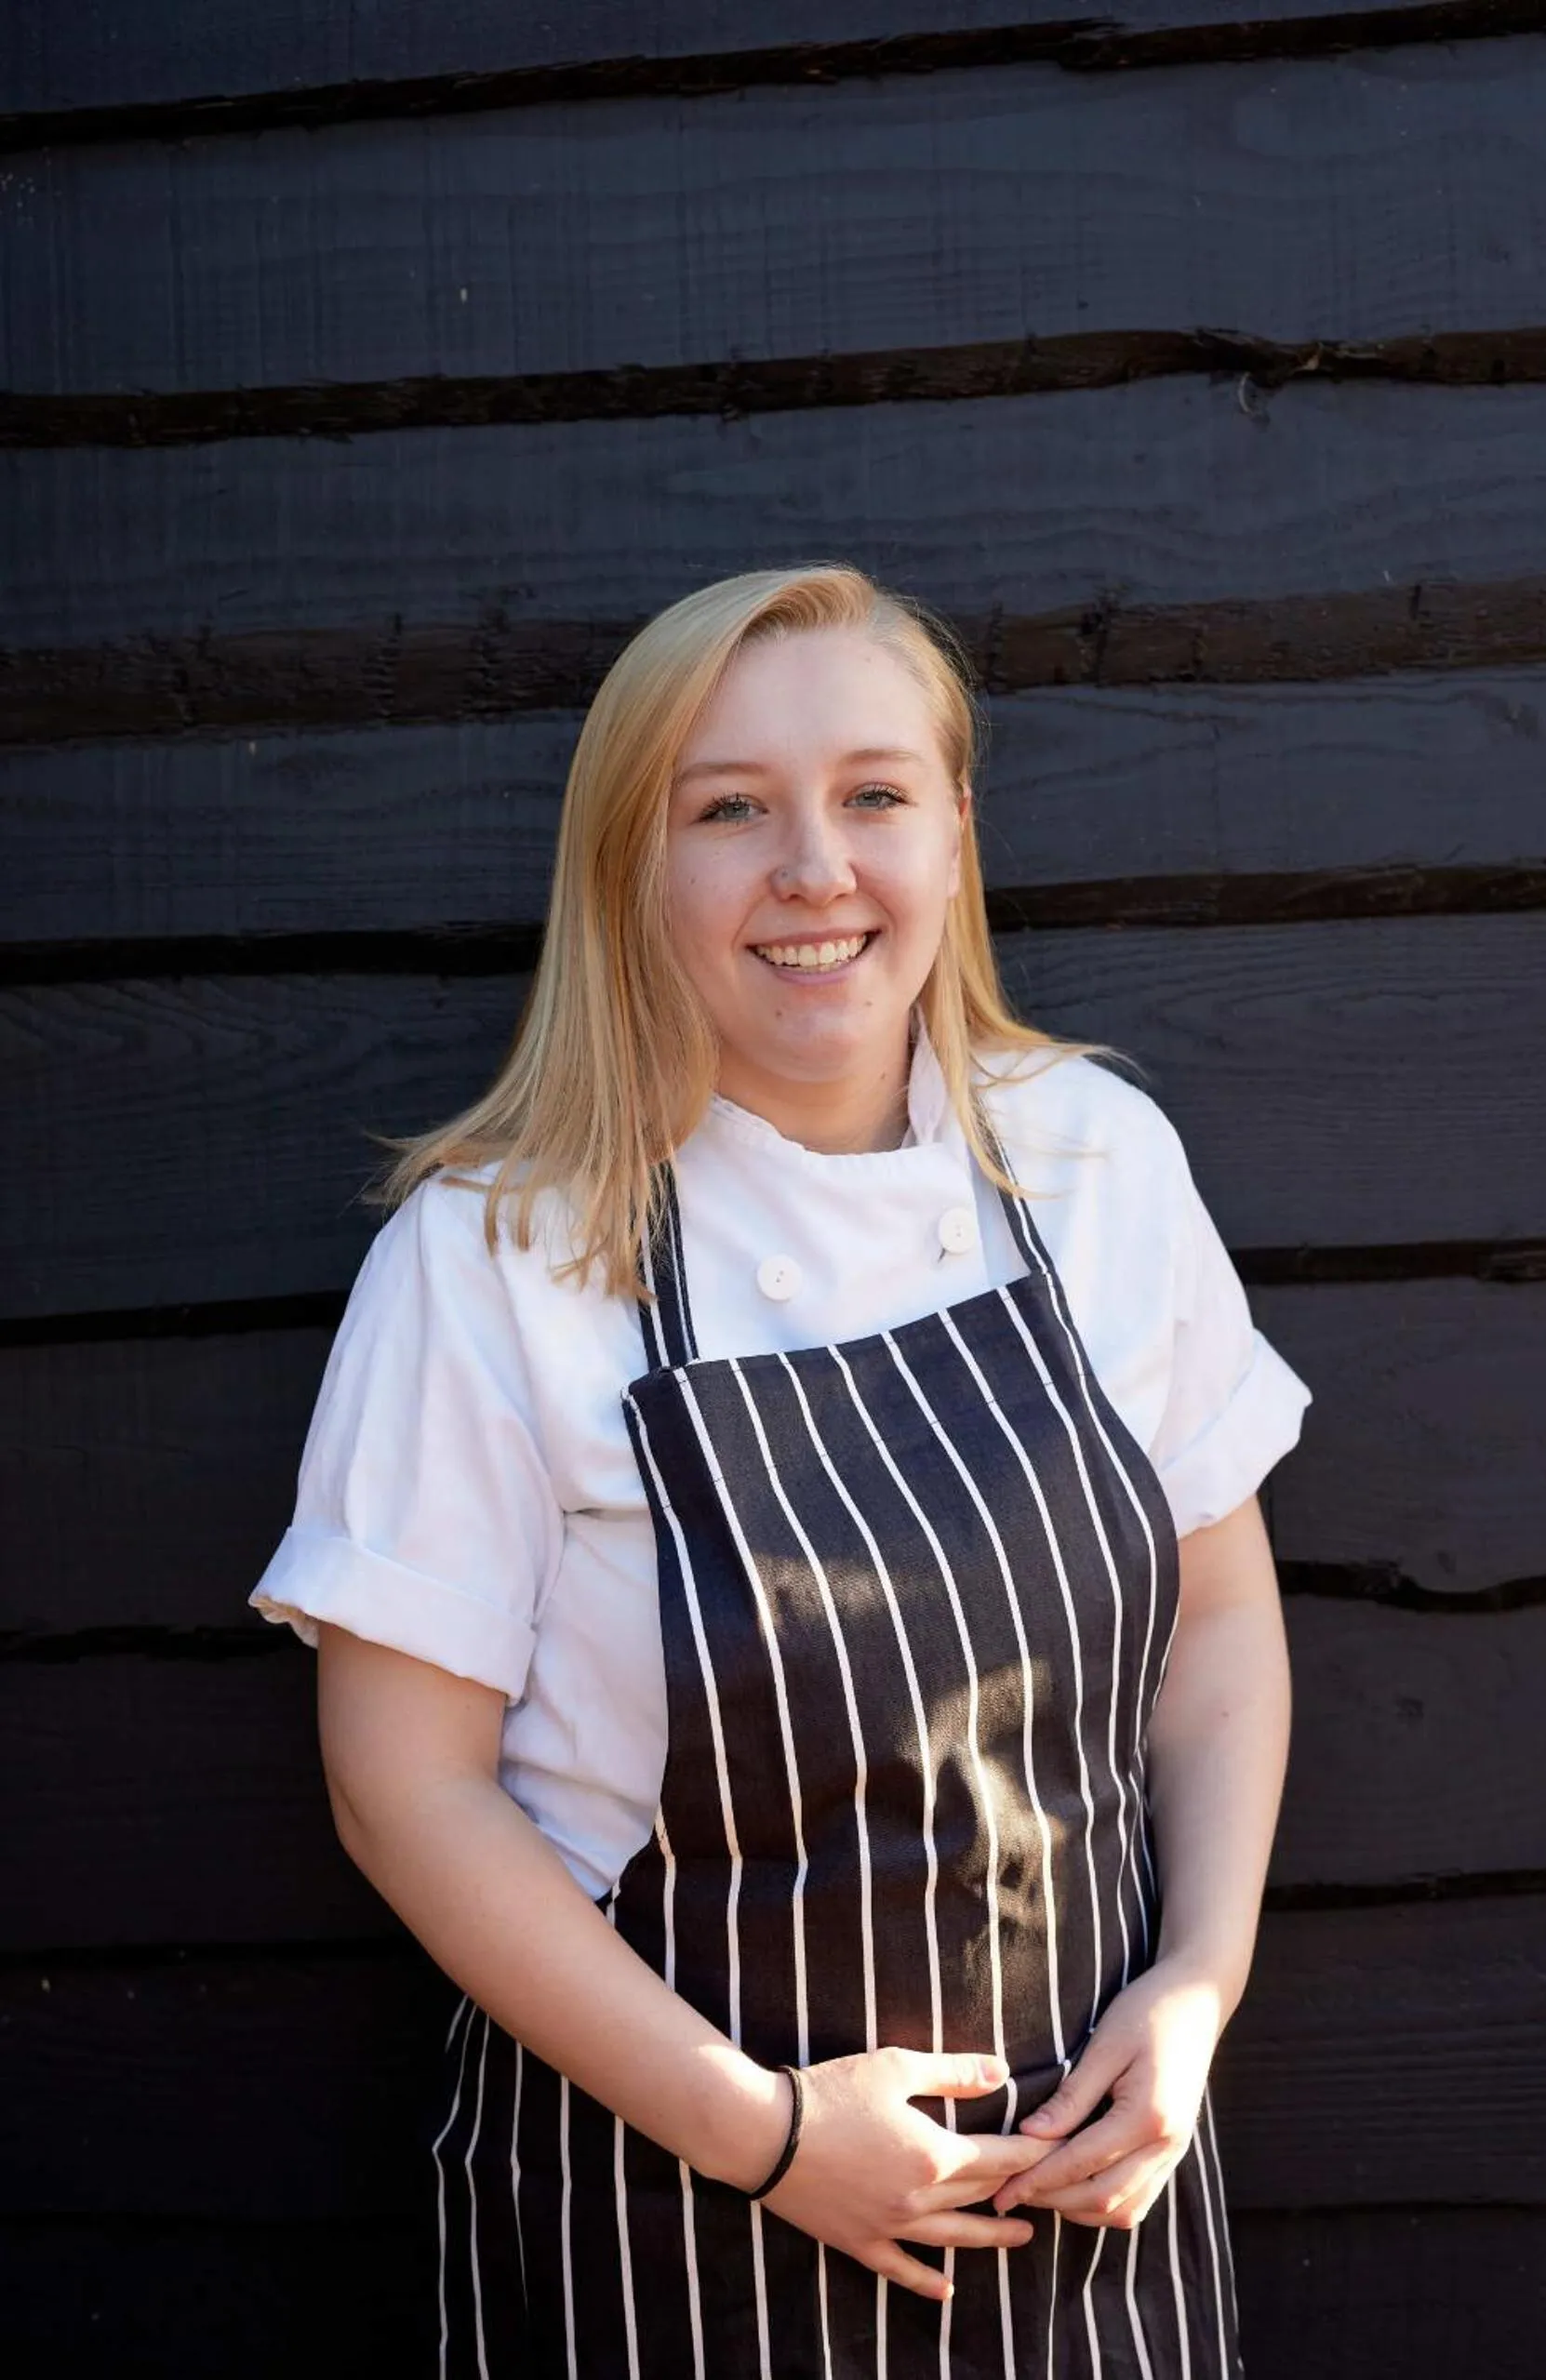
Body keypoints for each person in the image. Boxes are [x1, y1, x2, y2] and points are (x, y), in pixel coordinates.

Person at [250, 563, 1310, 2377]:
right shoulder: (493, 1257)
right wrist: (769, 2133)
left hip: (1090, 2216)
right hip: (670, 2226)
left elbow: (1215, 1617)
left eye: (871, 794)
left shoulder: (1094, 1163)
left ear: (955, 830)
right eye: (729, 809)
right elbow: (401, 1786)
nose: (815, 868)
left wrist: (1196, 1984)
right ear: (631, 866)